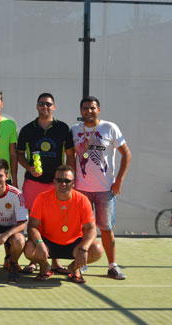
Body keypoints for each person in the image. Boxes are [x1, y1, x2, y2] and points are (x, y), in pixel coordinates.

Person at [70, 96, 132, 280]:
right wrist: (71, 181)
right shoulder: (74, 130)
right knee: (82, 228)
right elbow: (71, 158)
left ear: (99, 109)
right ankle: (82, 264)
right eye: (85, 108)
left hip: (105, 189)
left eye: (92, 108)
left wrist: (119, 180)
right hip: (81, 190)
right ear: (81, 111)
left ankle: (112, 265)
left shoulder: (110, 127)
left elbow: (126, 154)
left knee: (106, 229)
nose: (89, 111)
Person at [17, 93, 75, 275]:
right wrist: (29, 167)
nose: (45, 107)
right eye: (42, 104)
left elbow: (71, 155)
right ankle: (34, 260)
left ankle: (55, 261)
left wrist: (68, 179)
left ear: (54, 107)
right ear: (37, 106)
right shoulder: (27, 129)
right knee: (34, 222)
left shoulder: (63, 128)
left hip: (56, 184)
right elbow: (19, 155)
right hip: (33, 182)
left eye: (48, 104)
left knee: (54, 222)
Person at [24, 165, 103, 283]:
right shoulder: (42, 198)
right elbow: (32, 226)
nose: (63, 184)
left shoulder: (82, 200)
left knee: (97, 249)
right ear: (54, 182)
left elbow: (91, 229)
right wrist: (39, 243)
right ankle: (44, 266)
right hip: (48, 244)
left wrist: (84, 248)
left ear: (73, 183)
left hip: (74, 244)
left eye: (67, 181)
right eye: (59, 180)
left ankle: (74, 268)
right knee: (29, 248)